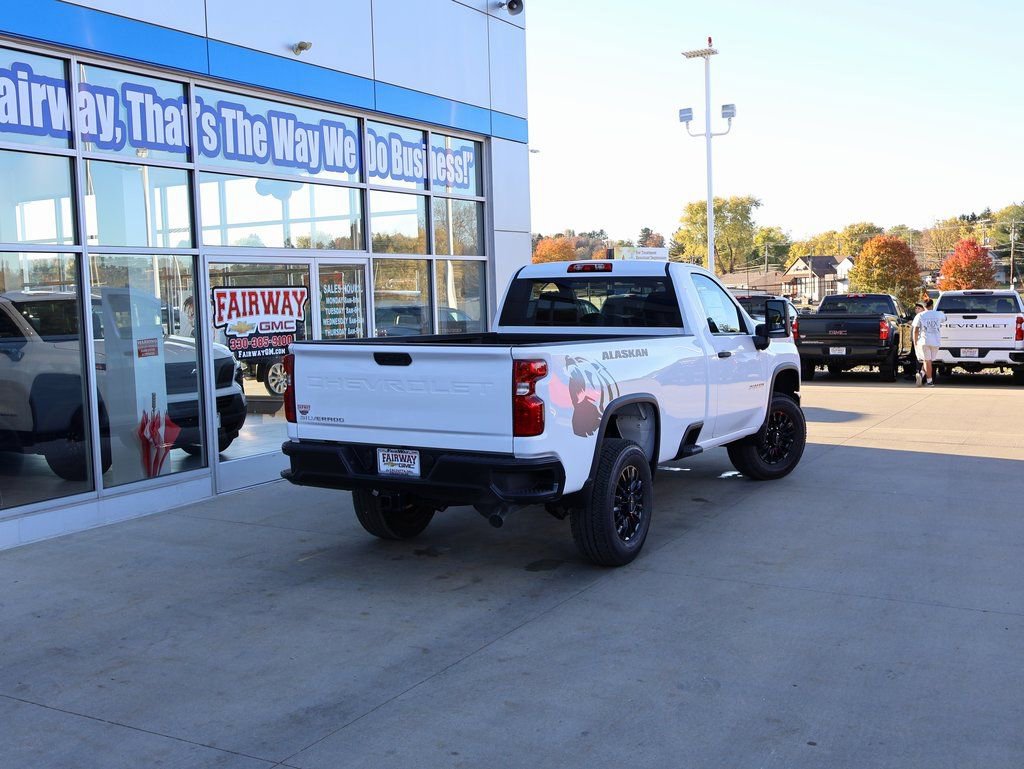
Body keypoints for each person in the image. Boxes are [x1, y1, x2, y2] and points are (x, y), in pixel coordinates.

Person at [912, 298, 945, 386]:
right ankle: (928, 379)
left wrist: (915, 341)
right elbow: (944, 318)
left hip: (924, 341)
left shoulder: (920, 315)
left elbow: (915, 330)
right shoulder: (939, 314)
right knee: (928, 361)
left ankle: (923, 376)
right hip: (936, 341)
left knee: (927, 361)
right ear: (932, 305)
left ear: (924, 306)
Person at [911, 302, 925, 383]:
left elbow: (916, 330)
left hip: (920, 341)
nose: (917, 310)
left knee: (922, 359)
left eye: (919, 308)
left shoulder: (922, 317)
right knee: (916, 358)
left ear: (923, 309)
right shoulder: (915, 317)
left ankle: (921, 375)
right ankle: (917, 374)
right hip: (915, 340)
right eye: (916, 308)